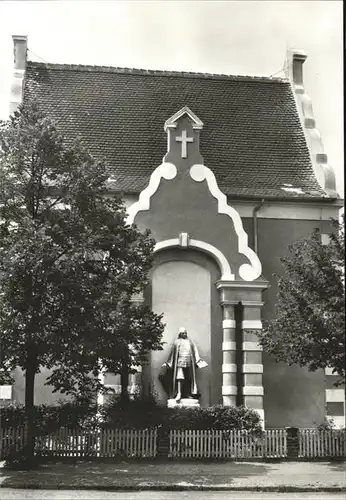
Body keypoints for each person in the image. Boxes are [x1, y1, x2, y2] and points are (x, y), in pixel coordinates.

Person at [162, 327, 207, 401]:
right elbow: (172, 353)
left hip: (189, 363)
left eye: (185, 333)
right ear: (180, 334)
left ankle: (188, 394)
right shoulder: (176, 342)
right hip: (179, 362)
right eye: (183, 333)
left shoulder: (190, 342)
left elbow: (195, 352)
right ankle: (179, 393)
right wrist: (167, 363)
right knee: (179, 377)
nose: (185, 334)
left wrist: (198, 361)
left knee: (189, 378)